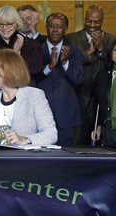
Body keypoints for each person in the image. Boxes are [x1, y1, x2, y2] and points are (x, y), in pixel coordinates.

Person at [64, 4, 116, 145]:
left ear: (102, 21)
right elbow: (69, 63)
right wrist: (91, 52)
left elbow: (112, 64)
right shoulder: (71, 39)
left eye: (96, 22)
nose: (92, 25)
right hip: (79, 93)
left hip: (105, 96)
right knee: (78, 138)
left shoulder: (112, 40)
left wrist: (100, 50)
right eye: (89, 21)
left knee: (101, 139)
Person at [37, 13, 84, 146]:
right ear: (46, 28)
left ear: (66, 29)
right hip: (41, 113)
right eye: (52, 26)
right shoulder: (36, 50)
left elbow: (78, 79)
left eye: (59, 27)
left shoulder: (74, 52)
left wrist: (64, 62)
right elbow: (30, 78)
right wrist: (49, 66)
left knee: (66, 160)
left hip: (66, 115)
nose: (55, 30)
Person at [0, 5, 43, 93]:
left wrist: (18, 54)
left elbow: (35, 71)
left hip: (23, 93)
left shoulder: (30, 44)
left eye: (9, 24)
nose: (5, 28)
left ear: (16, 24)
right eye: (1, 24)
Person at [91, 39, 116, 145]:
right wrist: (98, 127)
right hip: (109, 130)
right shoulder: (103, 76)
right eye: (115, 50)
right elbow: (100, 104)